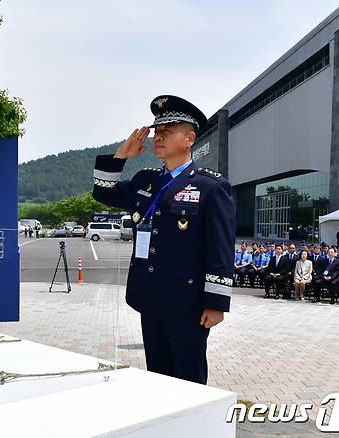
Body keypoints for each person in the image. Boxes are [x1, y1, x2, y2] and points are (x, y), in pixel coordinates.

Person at [92, 95, 235, 385]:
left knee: (188, 377)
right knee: (158, 376)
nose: (159, 137)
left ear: (189, 139)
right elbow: (104, 192)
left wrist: (216, 302)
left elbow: (220, 246)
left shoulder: (210, 186)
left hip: (188, 302)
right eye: (157, 132)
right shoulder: (146, 180)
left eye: (168, 132)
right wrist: (121, 156)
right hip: (150, 296)